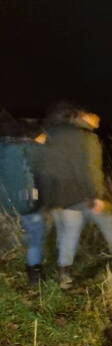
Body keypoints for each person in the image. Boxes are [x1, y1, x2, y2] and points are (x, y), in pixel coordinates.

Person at [37, 102, 112, 288]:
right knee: (75, 229)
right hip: (75, 194)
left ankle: (63, 272)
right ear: (75, 117)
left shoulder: (47, 134)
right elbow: (86, 169)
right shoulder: (81, 137)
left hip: (52, 195)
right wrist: (94, 196)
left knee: (65, 231)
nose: (94, 119)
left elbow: (38, 165)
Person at [0, 118, 48, 285]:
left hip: (4, 204)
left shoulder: (2, 147)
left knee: (7, 237)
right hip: (27, 202)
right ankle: (34, 274)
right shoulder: (30, 149)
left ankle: (7, 269)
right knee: (35, 236)